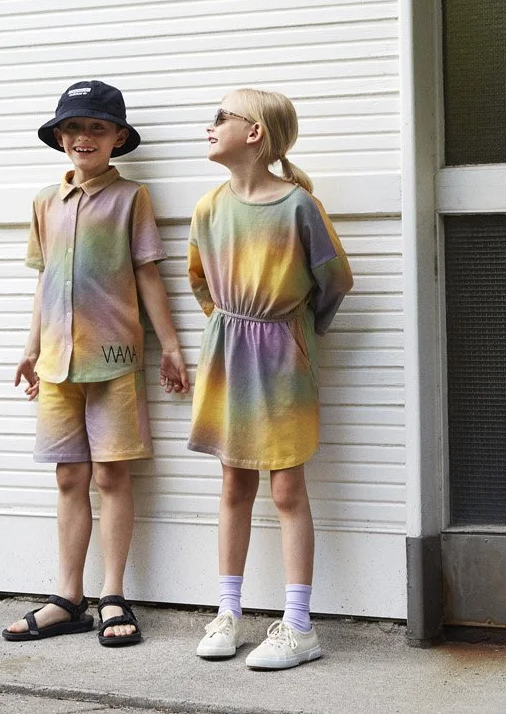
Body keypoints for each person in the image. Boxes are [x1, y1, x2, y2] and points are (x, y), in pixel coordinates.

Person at [2, 80, 189, 648]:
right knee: (69, 476)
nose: (85, 137)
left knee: (111, 475)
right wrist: (31, 347)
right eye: (75, 127)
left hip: (113, 362)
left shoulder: (132, 199)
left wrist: (173, 347)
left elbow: (148, 275)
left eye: (98, 128)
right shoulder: (43, 202)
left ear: (118, 138)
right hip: (58, 364)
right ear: (60, 137)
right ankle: (69, 597)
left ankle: (113, 594)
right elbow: (43, 281)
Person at [187, 89, 353, 670]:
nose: (209, 126)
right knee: (234, 484)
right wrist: (233, 328)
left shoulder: (299, 206)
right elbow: (200, 281)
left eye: (220, 118)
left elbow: (335, 280)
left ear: (254, 133)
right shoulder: (208, 208)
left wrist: (295, 332)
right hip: (229, 357)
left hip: (284, 360)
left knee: (286, 489)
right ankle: (228, 612)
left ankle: (299, 626)